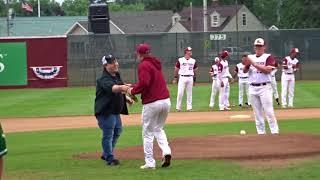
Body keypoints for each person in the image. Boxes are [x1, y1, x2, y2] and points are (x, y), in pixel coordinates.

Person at [127, 43, 172, 169]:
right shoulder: (155, 63)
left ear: (139, 54)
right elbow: (147, 82)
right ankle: (166, 151)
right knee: (158, 128)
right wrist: (136, 87)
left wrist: (132, 91)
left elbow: (145, 83)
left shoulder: (144, 65)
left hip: (152, 102)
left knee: (147, 133)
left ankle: (150, 162)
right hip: (165, 101)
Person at [94, 54, 132, 166]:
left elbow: (119, 88)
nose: (116, 64)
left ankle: (106, 153)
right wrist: (123, 88)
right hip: (105, 111)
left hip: (114, 111)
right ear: (105, 65)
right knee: (108, 134)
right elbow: (114, 88)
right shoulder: (103, 79)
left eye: (116, 61)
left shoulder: (116, 76)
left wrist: (126, 98)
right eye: (112, 62)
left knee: (118, 130)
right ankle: (110, 158)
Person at [243, 38, 279, 134]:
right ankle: (261, 133)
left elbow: (267, 70)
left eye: (260, 46)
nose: (258, 48)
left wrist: (254, 64)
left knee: (269, 111)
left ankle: (274, 132)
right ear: (254, 47)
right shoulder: (250, 57)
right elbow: (244, 71)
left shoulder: (268, 57)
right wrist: (247, 65)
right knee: (257, 113)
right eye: (256, 46)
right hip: (252, 87)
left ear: (264, 47)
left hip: (265, 87)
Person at [173, 47, 198, 111]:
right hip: (182, 77)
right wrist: (175, 78)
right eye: (189, 51)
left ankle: (189, 107)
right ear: (186, 52)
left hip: (190, 77)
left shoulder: (193, 60)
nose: (190, 52)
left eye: (190, 50)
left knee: (189, 93)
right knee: (180, 93)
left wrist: (194, 79)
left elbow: (195, 70)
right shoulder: (180, 60)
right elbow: (176, 69)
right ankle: (178, 107)